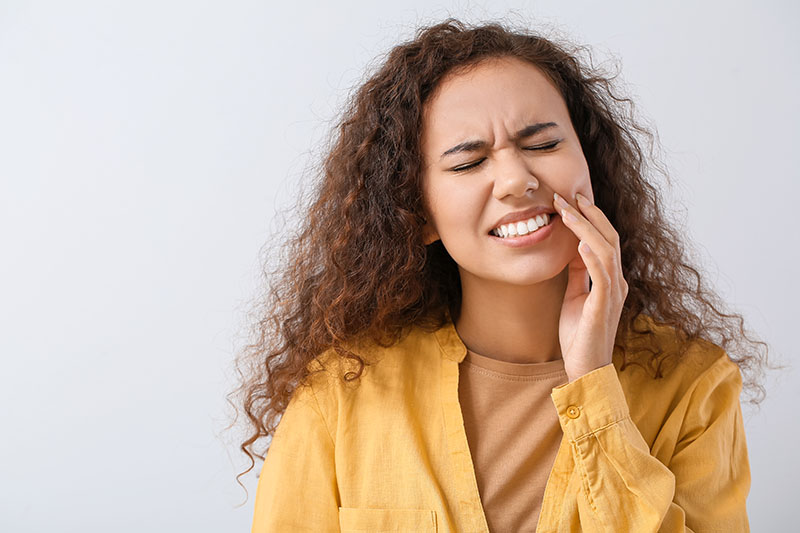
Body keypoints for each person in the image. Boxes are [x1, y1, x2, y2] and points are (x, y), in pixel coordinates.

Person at [234, 18, 771, 532]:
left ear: (592, 164)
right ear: (417, 213)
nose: (516, 179)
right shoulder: (337, 395)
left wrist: (593, 387)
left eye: (542, 144)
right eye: (468, 163)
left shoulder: (694, 386)